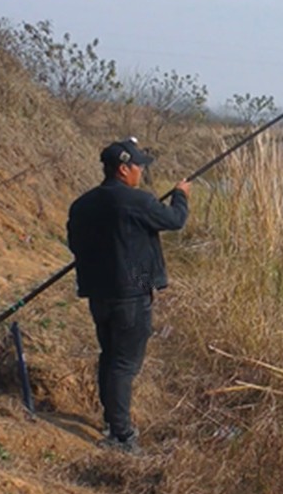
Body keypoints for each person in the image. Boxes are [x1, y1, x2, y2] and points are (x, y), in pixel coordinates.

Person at [67, 137, 191, 453]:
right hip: (131, 297)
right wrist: (180, 196)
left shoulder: (82, 205)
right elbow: (175, 221)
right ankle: (120, 436)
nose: (141, 172)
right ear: (123, 169)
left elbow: (75, 245)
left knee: (109, 358)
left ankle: (113, 421)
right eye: (138, 166)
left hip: (99, 296)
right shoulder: (136, 201)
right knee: (124, 365)